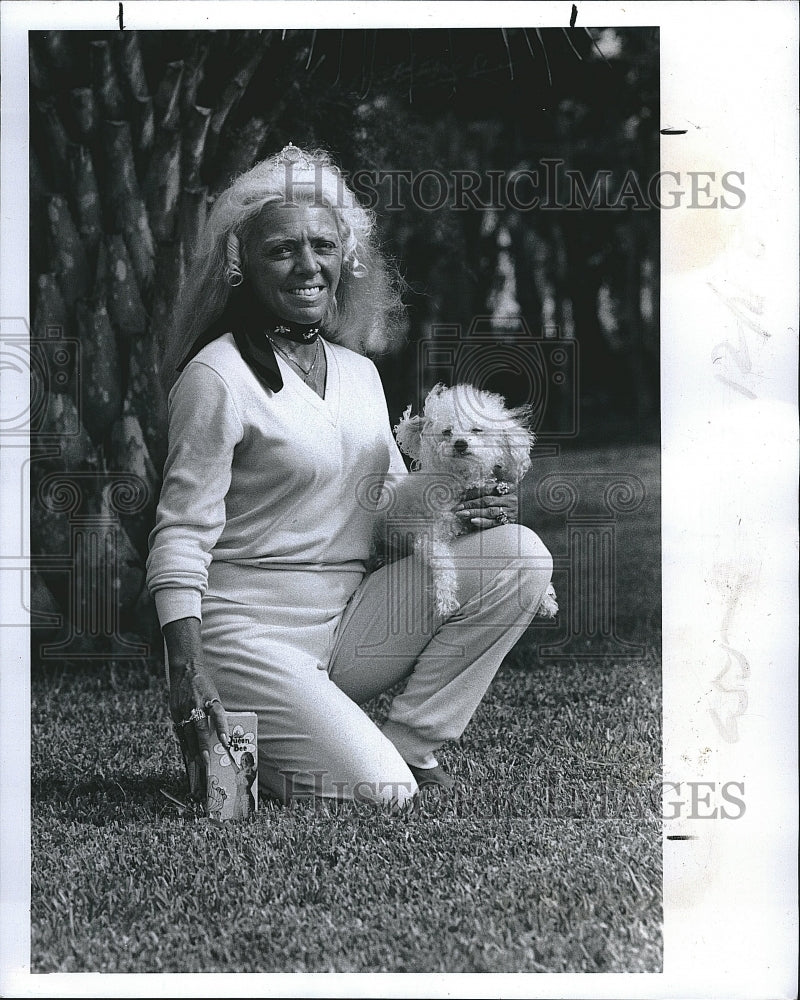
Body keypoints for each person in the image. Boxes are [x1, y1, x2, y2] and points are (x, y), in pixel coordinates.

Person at [146, 144, 554, 809]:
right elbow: (180, 534)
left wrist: (462, 509)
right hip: (247, 638)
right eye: (282, 250)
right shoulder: (216, 377)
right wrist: (187, 669)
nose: (307, 265)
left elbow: (391, 514)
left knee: (520, 556)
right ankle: (254, 750)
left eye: (322, 245)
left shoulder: (360, 374)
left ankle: (413, 744)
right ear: (238, 263)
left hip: (346, 626)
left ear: (347, 255)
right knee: (382, 796)